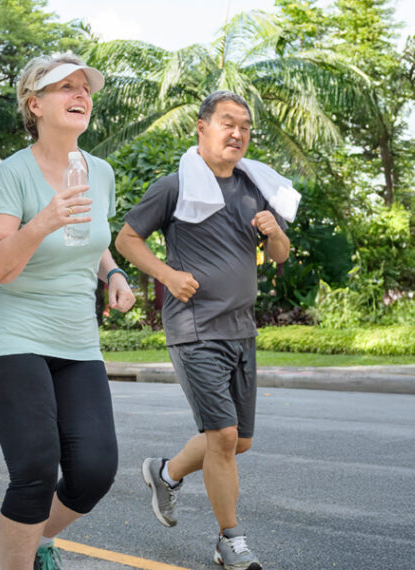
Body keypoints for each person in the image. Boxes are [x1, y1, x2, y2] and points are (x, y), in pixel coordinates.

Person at [114, 90, 295, 570]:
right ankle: (229, 541)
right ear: (202, 127)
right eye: (228, 123)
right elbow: (126, 238)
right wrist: (168, 276)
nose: (238, 133)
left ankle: (165, 473)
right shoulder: (174, 186)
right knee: (223, 437)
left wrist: (274, 231)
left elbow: (280, 255)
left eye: (245, 126)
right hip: (194, 328)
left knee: (239, 441)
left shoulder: (254, 188)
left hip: (241, 328)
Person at [0, 54, 136, 570]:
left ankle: (35, 540)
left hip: (76, 339)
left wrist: (112, 272)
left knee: (94, 471)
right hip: (11, 336)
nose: (79, 94)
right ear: (35, 104)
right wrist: (40, 222)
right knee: (36, 467)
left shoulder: (99, 172)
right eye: (64, 87)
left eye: (84, 87)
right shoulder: (12, 173)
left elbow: (91, 239)